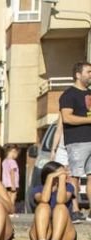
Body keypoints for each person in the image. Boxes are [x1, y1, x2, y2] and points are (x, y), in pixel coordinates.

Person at [59, 61, 91, 209]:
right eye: (88, 72)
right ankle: (75, 209)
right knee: (75, 177)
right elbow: (67, 117)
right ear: (78, 75)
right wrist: (88, 120)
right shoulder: (68, 95)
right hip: (77, 141)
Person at [30, 161, 78, 240]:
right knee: (43, 205)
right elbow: (44, 199)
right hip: (42, 232)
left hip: (63, 234)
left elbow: (61, 200)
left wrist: (61, 180)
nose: (65, 175)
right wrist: (49, 179)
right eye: (61, 173)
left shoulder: (69, 187)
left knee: (60, 207)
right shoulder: (38, 189)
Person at [2, 145, 20, 212]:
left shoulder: (4, 161)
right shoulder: (12, 162)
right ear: (13, 151)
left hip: (6, 184)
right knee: (12, 199)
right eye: (16, 154)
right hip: (12, 184)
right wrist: (13, 185)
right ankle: (11, 212)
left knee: (7, 199)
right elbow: (12, 173)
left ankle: (7, 211)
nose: (16, 156)